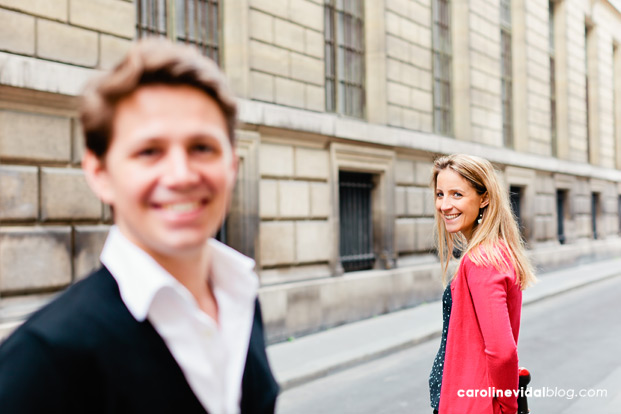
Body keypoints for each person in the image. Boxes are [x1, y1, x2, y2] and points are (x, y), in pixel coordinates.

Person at [0, 39, 279, 414]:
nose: (181, 175)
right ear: (100, 174)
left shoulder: (240, 299)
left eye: (202, 147)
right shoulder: (44, 357)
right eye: (149, 151)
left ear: (232, 165)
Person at [428, 154, 536, 414]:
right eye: (440, 194)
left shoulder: (482, 260)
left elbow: (502, 351)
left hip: (471, 404)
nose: (444, 205)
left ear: (484, 198)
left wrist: (508, 407)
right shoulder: (491, 253)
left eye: (457, 194)